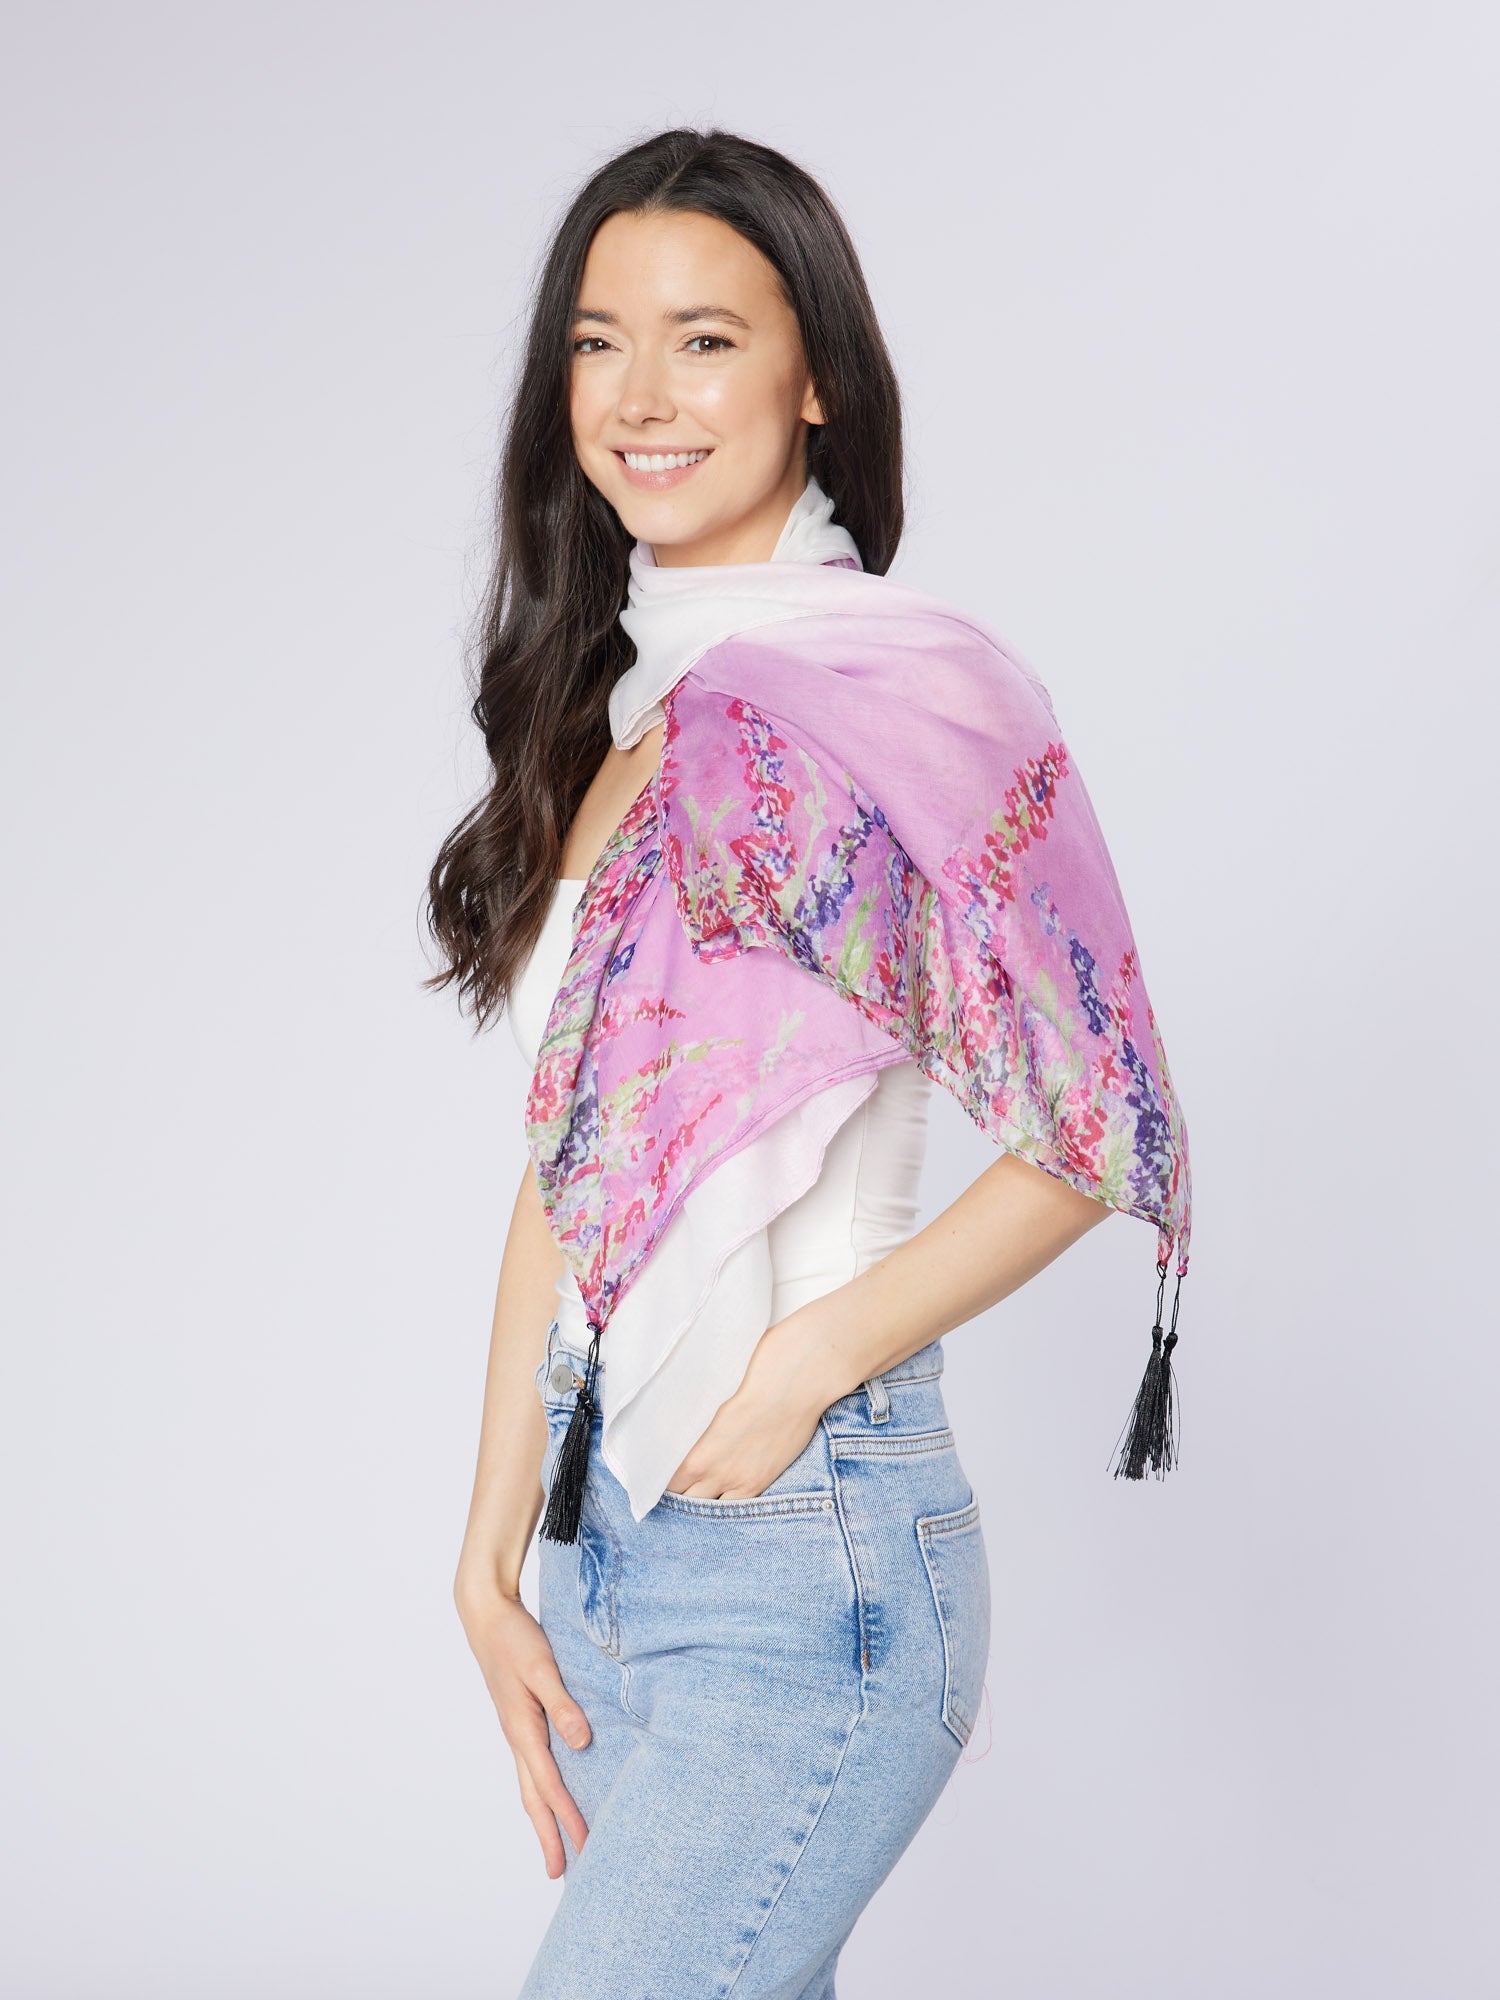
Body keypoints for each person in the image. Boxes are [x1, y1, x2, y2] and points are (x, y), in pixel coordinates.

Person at [425, 127, 1187, 2000]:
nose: (640, 396)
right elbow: (574, 1167)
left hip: (805, 1544)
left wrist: (800, 1367)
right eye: (598, 342)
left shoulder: (907, 694)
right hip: (609, 1542)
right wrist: (488, 1544)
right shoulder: (632, 722)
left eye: (704, 339)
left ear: (815, 374)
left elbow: (1099, 1129)